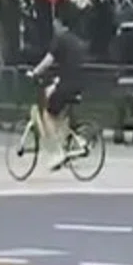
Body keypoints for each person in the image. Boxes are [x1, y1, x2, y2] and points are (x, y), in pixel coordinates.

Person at [27, 17, 89, 171]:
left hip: (67, 84)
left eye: (55, 23)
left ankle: (58, 153)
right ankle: (78, 140)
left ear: (61, 24)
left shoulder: (60, 40)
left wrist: (35, 72)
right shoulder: (75, 40)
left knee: (48, 113)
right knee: (60, 110)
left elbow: (48, 61)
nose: (53, 26)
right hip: (80, 84)